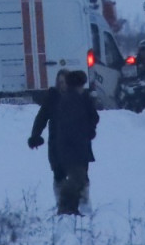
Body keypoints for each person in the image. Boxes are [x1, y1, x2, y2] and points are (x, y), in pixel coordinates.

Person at [28, 70, 99, 216]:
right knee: (59, 174)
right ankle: (62, 203)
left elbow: (93, 116)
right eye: (60, 82)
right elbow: (41, 118)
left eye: (65, 81)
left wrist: (89, 129)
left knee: (81, 174)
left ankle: (83, 202)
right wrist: (35, 135)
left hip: (78, 143)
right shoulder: (53, 98)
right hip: (56, 143)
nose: (63, 85)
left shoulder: (81, 97)